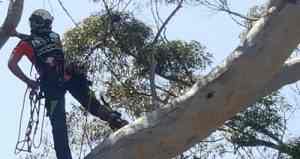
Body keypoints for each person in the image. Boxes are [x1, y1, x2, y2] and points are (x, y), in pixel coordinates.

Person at [8, 9, 128, 159]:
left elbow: (12, 63)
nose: (50, 26)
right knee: (91, 104)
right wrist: (18, 34)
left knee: (59, 128)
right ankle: (115, 119)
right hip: (70, 77)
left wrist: (29, 82)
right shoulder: (54, 36)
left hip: (52, 85)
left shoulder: (25, 43)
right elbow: (38, 40)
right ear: (43, 23)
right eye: (48, 23)